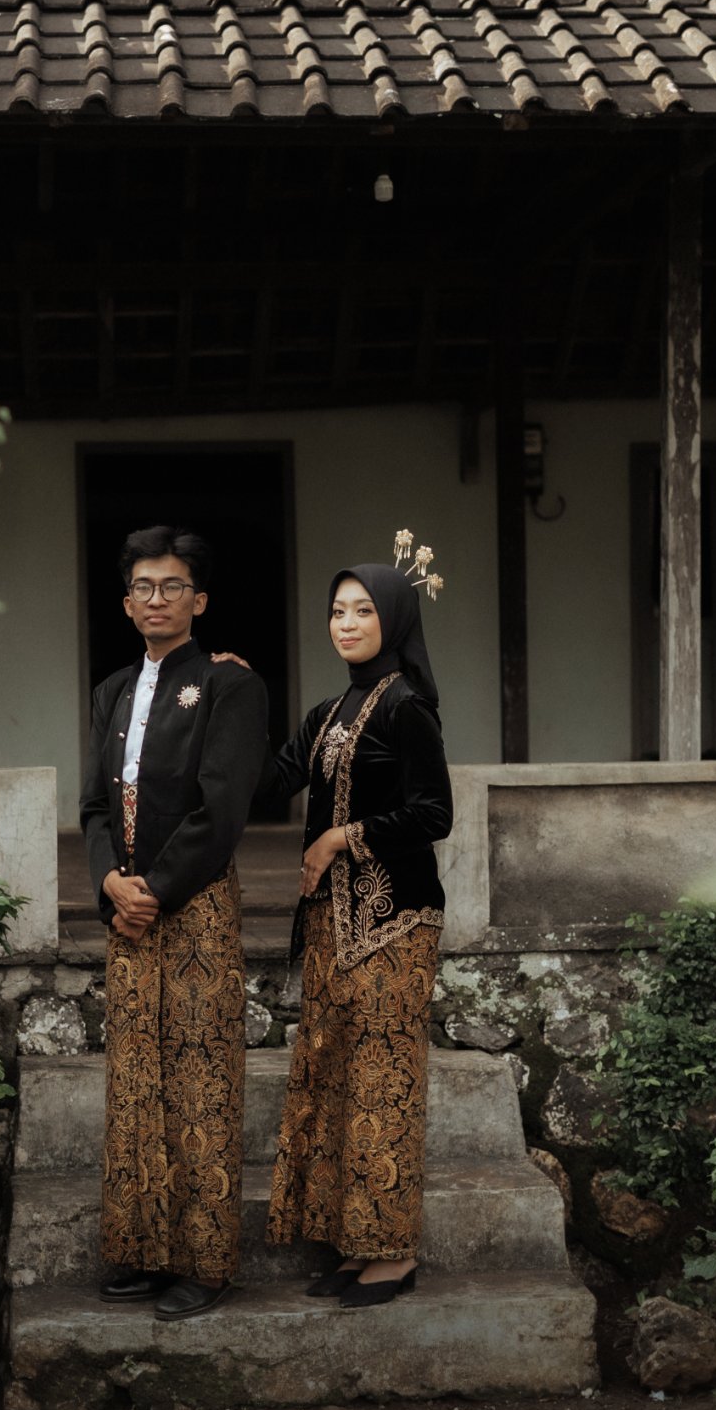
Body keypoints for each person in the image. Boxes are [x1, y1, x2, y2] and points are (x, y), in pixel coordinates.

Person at [80, 525, 269, 1321]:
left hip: (194, 906)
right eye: (143, 587)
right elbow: (95, 807)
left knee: (199, 1080)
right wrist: (110, 884)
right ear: (127, 604)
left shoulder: (228, 686)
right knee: (136, 1082)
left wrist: (154, 889)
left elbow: (222, 807)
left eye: (173, 586)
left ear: (200, 600)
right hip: (128, 911)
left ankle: (206, 1261)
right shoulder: (112, 692)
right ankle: (145, 1250)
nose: (157, 599)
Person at [261, 553, 452, 1308]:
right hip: (330, 929)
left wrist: (342, 838)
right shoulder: (328, 712)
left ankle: (393, 1255)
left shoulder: (408, 707)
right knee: (335, 1081)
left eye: (363, 610)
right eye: (338, 610)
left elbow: (434, 813)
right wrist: (227, 697)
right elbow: (271, 781)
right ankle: (352, 1242)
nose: (346, 623)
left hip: (393, 924)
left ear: (394, 619)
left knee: (382, 1086)